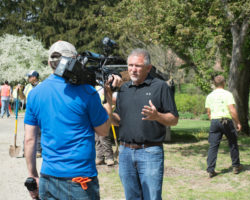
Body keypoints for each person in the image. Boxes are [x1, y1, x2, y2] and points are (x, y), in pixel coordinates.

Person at [24, 40, 122, 200]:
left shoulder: (35, 94)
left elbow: (29, 140)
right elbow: (103, 131)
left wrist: (32, 175)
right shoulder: (87, 92)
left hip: (48, 178)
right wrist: (109, 95)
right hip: (80, 180)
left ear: (49, 63)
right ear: (74, 60)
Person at [111, 48, 179, 200]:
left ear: (148, 68)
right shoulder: (124, 89)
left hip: (150, 152)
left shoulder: (160, 87)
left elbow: (174, 119)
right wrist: (108, 115)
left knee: (152, 197)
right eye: (130, 65)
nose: (133, 69)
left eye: (138, 66)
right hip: (125, 153)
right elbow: (118, 119)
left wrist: (157, 116)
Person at [205, 75, 243, 178]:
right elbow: (232, 110)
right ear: (224, 83)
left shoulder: (209, 96)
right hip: (226, 121)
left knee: (213, 145)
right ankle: (236, 166)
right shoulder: (228, 94)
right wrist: (238, 122)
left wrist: (213, 120)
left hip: (214, 121)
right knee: (232, 142)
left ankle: (210, 170)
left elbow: (208, 112)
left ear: (214, 84)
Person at [19, 70, 42, 157]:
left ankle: (38, 151)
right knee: (28, 132)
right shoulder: (28, 86)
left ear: (34, 77)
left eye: (29, 76)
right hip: (29, 112)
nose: (28, 78)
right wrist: (20, 91)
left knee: (39, 132)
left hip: (39, 112)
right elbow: (22, 98)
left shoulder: (42, 85)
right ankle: (26, 150)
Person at [95, 85, 117, 166]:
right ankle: (99, 157)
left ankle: (109, 158)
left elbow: (113, 100)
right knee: (97, 139)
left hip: (104, 117)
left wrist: (111, 106)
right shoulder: (95, 89)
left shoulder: (107, 88)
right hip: (95, 117)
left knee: (104, 137)